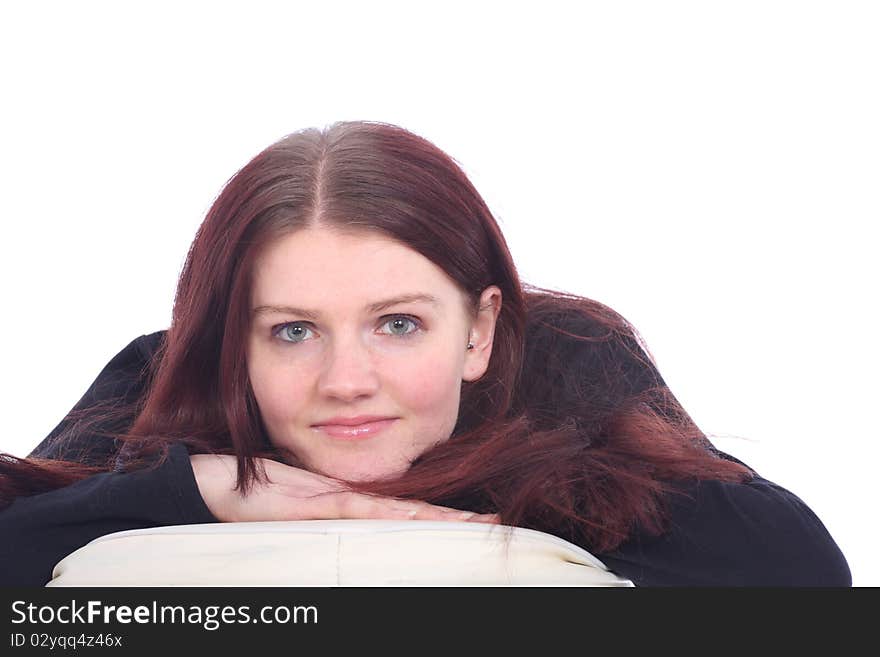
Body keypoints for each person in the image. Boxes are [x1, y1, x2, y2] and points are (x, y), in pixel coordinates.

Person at [0, 121, 851, 586]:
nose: (345, 380)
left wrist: (447, 490)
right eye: (292, 331)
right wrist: (197, 486)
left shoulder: (564, 357)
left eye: (398, 324)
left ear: (479, 329)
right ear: (236, 341)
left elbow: (797, 574)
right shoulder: (169, 374)